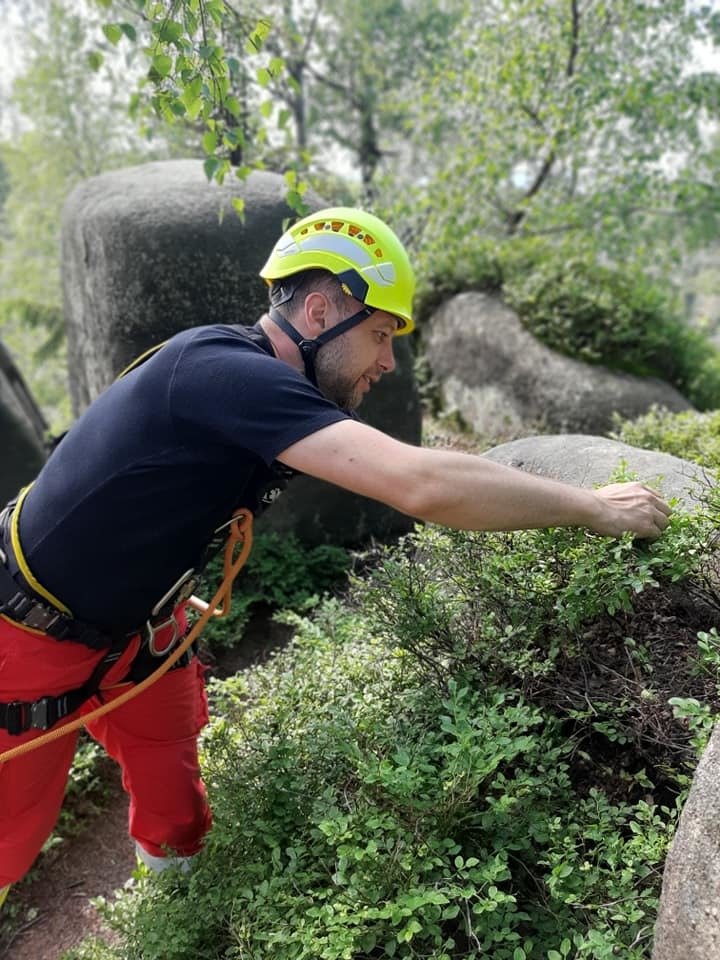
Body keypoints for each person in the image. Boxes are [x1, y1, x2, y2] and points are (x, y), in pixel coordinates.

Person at [0, 206, 670, 906]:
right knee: (10, 841)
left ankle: (173, 918)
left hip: (138, 628)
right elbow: (419, 483)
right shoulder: (226, 374)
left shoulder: (248, 374)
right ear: (319, 311)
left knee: (174, 792)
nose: (387, 361)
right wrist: (594, 508)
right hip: (29, 631)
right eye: (380, 334)